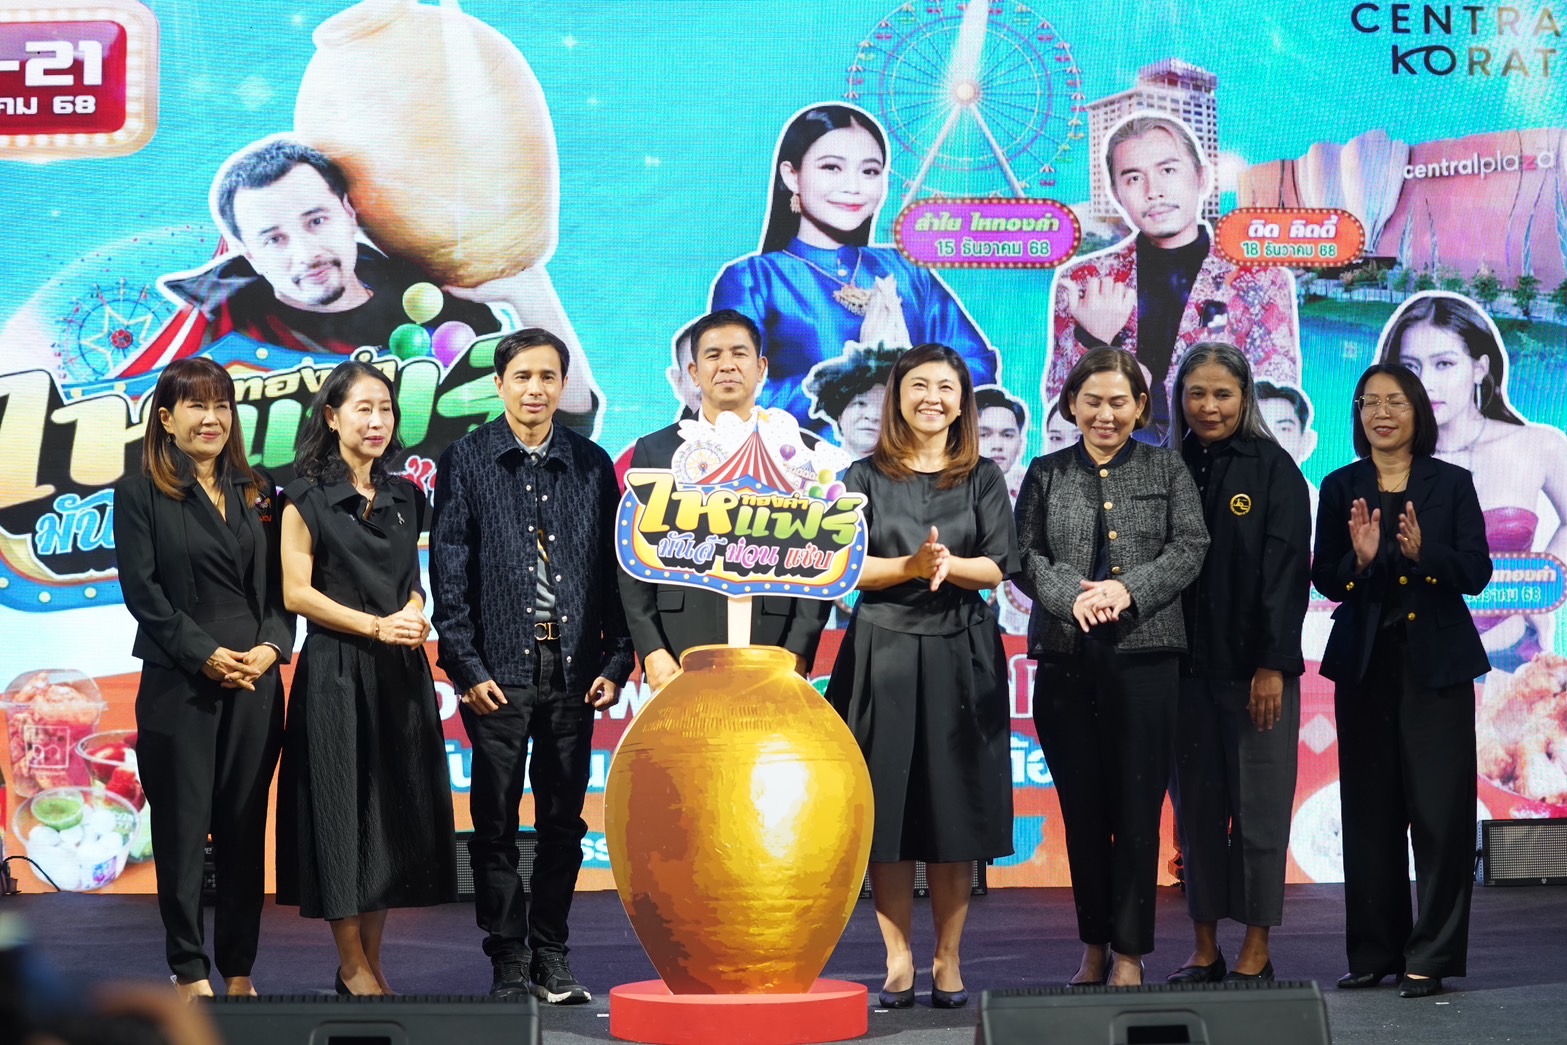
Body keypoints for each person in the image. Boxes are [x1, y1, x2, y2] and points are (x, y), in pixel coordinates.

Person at [116, 140, 602, 430]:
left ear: (349, 213)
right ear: (249, 254)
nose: (306, 253)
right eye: (274, 238)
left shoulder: (438, 310)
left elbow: (565, 428)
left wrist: (531, 294)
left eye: (316, 220)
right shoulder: (219, 335)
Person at [430, 328, 633, 1004]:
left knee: (563, 824)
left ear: (563, 385)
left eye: (548, 376)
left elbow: (615, 571)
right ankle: (508, 957)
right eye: (522, 376)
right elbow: (449, 572)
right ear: (499, 384)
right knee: (493, 824)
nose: (535, 389)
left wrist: (616, 657)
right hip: (496, 672)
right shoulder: (466, 459)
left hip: (573, 669)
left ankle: (551, 953)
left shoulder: (591, 463)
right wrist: (465, 665)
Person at [825, 343, 1017, 1010]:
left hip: (963, 651)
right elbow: (845, 566)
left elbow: (998, 563)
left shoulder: (982, 476)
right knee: (888, 813)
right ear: (896, 397)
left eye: (946, 387)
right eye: (919, 385)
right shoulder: (860, 475)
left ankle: (948, 957)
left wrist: (947, 565)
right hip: (882, 652)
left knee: (954, 813)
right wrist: (909, 567)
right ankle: (898, 957)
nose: (932, 398)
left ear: (962, 402)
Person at [1013, 347, 1208, 987]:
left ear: (1141, 407)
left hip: (1146, 656)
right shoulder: (1045, 472)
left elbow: (1191, 546)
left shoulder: (1167, 467)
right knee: (1083, 812)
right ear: (1071, 404)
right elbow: (1024, 555)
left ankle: (1130, 951)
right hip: (1066, 657)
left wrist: (1129, 590)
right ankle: (1094, 945)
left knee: (1138, 810)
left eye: (1118, 402)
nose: (1105, 414)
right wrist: (1071, 597)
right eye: (1092, 401)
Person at [274, 360, 457, 995]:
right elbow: (297, 594)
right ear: (332, 417)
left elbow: (411, 582)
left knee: (389, 818)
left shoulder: (407, 496)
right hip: (335, 671)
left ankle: (371, 965)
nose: (377, 421)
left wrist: (414, 612)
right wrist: (376, 626)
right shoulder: (303, 497)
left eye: (386, 409)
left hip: (400, 671)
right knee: (340, 815)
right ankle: (351, 964)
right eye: (363, 409)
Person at [112, 357, 292, 1000]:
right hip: (179, 682)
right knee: (183, 832)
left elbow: (282, 590)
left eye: (222, 405)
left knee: (244, 828)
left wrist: (272, 648)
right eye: (196, 405)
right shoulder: (139, 493)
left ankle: (239, 969)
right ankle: (189, 970)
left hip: (255, 681)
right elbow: (144, 595)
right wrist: (205, 654)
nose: (212, 418)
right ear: (166, 418)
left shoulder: (260, 490)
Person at [1314, 363, 1492, 999]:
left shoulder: (1452, 483)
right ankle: (1374, 952)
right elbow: (1325, 577)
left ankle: (1431, 954)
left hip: (1436, 668)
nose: (1381, 413)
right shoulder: (1340, 485)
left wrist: (1425, 556)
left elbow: (1476, 572)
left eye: (1395, 402)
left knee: (1440, 816)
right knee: (1369, 814)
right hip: (1365, 666)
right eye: (1369, 402)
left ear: (1418, 411)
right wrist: (1359, 562)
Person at [1164, 344, 1311, 984]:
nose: (1209, 406)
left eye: (1222, 394)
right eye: (1196, 393)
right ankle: (1204, 947)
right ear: (1179, 399)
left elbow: (1286, 575)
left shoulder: (1273, 468)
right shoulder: (1163, 466)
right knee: (1196, 816)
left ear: (1244, 397)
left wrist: (1272, 665)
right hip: (1180, 675)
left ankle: (1256, 947)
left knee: (1259, 813)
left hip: (1257, 675)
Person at [711, 104, 998, 428]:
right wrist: (857, 370)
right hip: (805, 458)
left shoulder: (907, 271)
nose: (854, 186)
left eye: (870, 172)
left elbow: (977, 366)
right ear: (791, 175)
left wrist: (909, 375)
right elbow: (734, 396)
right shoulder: (754, 280)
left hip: (910, 455)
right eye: (832, 167)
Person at [1045, 114, 1299, 440]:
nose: (1153, 192)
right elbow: (1060, 415)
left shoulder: (1260, 280)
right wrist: (1096, 343)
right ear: (1117, 194)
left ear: (1202, 177)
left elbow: (1277, 405)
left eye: (1167, 171)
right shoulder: (1084, 280)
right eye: (1133, 178)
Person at [618, 309, 831, 691]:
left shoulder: (799, 452)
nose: (727, 365)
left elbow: (819, 559)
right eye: (714, 355)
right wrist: (652, 651)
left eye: (739, 353)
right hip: (679, 643)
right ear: (694, 372)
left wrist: (798, 651)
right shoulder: (656, 451)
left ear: (761, 368)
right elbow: (632, 561)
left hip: (774, 641)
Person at [1378, 291, 1567, 669]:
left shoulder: (1538, 445)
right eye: (1411, 367)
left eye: (1444, 364)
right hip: (1412, 664)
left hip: (1514, 662)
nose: (1425, 383)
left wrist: (1542, 587)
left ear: (1480, 368)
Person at [803, 343, 902, 456]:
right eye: (860, 403)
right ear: (839, 415)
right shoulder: (811, 463)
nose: (873, 416)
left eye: (885, 407)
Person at [1256, 380, 1320, 533]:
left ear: (1306, 442)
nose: (1271, 438)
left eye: (1284, 429)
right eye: (1258, 428)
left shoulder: (1320, 508)